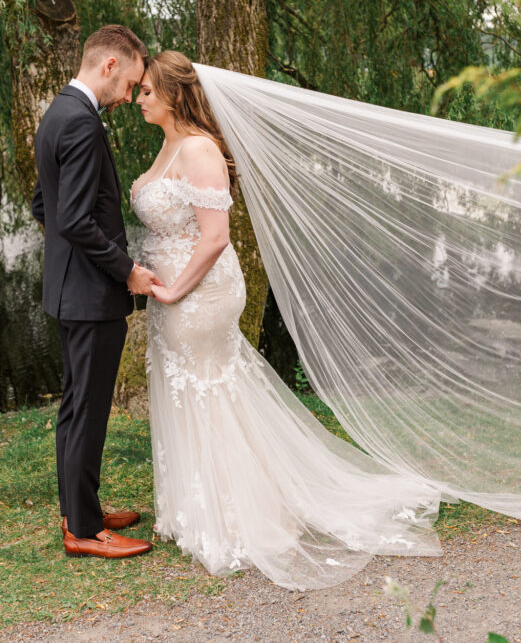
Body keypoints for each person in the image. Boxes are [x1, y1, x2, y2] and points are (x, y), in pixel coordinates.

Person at [131, 51, 442, 591]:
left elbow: (215, 237)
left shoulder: (200, 149)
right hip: (171, 293)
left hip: (200, 293)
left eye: (148, 92)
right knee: (202, 392)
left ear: (176, 95)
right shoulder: (167, 147)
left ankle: (235, 517)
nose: (139, 98)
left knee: (206, 390)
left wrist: (176, 289)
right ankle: (202, 506)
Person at [31, 25, 161, 559]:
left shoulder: (57, 112)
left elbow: (45, 205)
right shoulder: (82, 124)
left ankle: (78, 509)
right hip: (89, 292)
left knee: (76, 406)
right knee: (87, 407)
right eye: (129, 84)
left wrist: (66, 260)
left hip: (69, 289)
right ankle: (84, 531)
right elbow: (78, 220)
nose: (130, 96)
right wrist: (126, 269)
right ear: (109, 65)